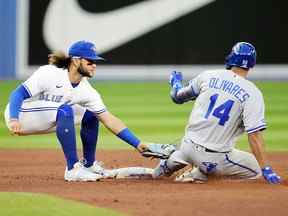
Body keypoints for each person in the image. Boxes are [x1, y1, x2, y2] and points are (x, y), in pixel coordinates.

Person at [4, 40, 172, 181]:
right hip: (23, 115)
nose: (94, 66)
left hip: (51, 116)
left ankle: (88, 165)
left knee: (91, 114)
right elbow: (17, 94)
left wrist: (138, 144)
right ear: (76, 60)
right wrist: (13, 119)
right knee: (65, 110)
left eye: (95, 62)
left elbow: (108, 119)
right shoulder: (49, 73)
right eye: (90, 61)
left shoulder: (86, 90)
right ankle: (72, 169)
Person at [153, 42, 281, 184]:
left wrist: (176, 82)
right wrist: (266, 168)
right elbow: (254, 135)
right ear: (252, 64)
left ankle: (169, 163)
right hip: (214, 159)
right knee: (256, 170)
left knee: (157, 174)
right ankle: (200, 175)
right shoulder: (253, 93)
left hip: (186, 146)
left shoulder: (208, 76)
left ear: (232, 58)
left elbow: (177, 97)